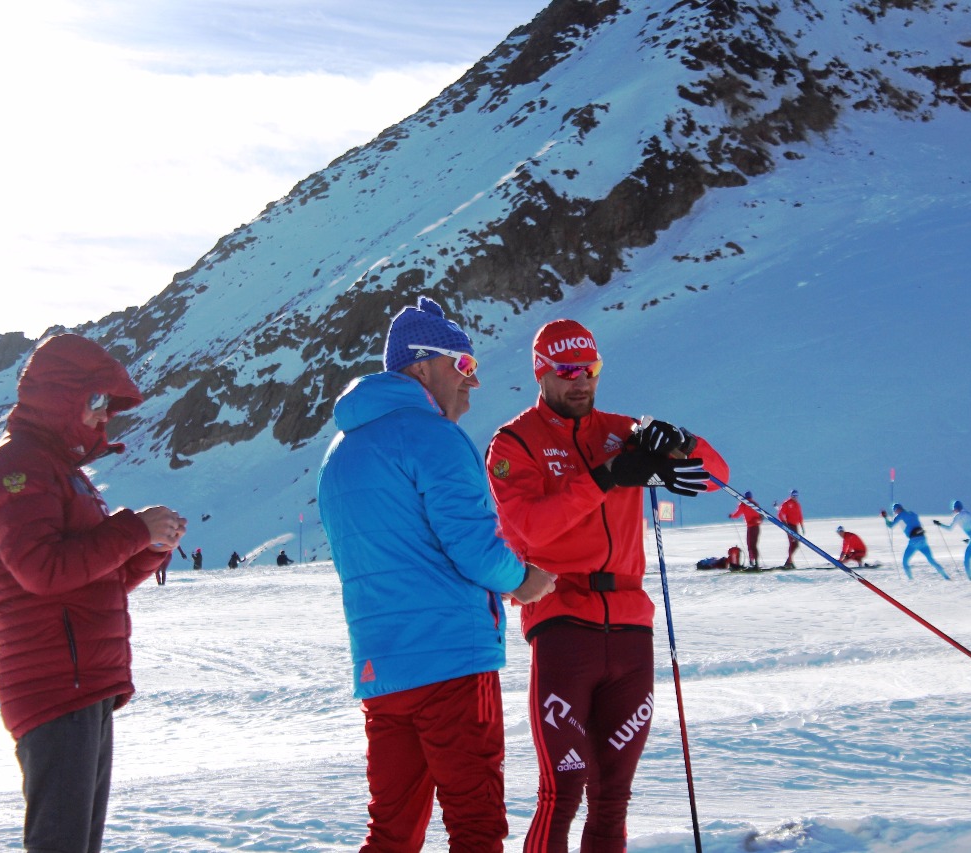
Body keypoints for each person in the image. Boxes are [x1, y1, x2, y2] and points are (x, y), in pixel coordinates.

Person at [317, 296, 556, 852]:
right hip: (451, 658)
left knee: (392, 829)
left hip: (383, 665)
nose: (473, 383)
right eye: (464, 365)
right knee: (475, 824)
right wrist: (522, 579)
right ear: (422, 366)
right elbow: (473, 546)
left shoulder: (339, 452)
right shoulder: (433, 436)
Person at [485, 318, 729, 852]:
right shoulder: (515, 441)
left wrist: (681, 443)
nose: (582, 382)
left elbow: (714, 476)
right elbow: (529, 527)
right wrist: (607, 476)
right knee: (564, 789)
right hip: (561, 621)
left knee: (614, 794)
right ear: (541, 372)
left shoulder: (622, 431)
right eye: (568, 371)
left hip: (630, 625)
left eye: (591, 370)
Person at [0, 333, 186, 853]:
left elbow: (91, 583)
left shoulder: (62, 473)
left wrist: (149, 548)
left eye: (107, 405)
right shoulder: (17, 469)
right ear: (59, 396)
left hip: (82, 681)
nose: (101, 416)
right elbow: (42, 571)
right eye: (94, 401)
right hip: (53, 683)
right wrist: (133, 530)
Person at [882, 502, 949, 580]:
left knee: (905, 562)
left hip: (914, 541)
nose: (895, 512)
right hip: (923, 539)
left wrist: (885, 517)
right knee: (931, 560)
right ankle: (946, 577)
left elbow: (890, 525)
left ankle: (911, 580)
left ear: (897, 510)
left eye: (895, 511)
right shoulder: (912, 513)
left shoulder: (900, 516)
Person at [729, 491, 761, 569]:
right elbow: (760, 515)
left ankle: (752, 562)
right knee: (754, 545)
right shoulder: (755, 504)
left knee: (750, 545)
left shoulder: (743, 504)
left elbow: (737, 514)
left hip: (750, 527)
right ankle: (756, 562)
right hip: (756, 527)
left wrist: (731, 516)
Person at [777, 489, 804, 569]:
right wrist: (784, 524)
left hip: (795, 526)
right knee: (792, 543)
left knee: (796, 544)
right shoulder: (787, 503)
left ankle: (789, 561)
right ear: (791, 496)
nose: (795, 497)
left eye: (796, 496)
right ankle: (789, 562)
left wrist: (802, 526)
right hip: (789, 525)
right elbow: (780, 513)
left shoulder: (797, 504)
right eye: (793, 496)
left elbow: (800, 516)